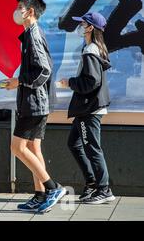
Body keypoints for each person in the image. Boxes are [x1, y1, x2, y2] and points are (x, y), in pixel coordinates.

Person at [2, 0, 66, 213]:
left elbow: (44, 70)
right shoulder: (30, 34)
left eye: (19, 7)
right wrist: (18, 83)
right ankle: (40, 194)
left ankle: (52, 187)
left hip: (34, 104)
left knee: (17, 147)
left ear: (29, 11)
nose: (16, 11)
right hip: (37, 103)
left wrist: (19, 82)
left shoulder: (33, 35)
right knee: (32, 147)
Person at [58, 12, 115, 204]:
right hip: (88, 109)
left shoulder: (91, 50)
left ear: (91, 28)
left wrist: (70, 83)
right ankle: (92, 183)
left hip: (89, 110)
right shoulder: (93, 48)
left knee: (92, 148)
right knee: (74, 143)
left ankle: (104, 189)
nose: (80, 27)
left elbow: (91, 81)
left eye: (83, 24)